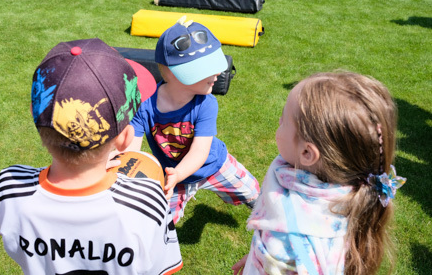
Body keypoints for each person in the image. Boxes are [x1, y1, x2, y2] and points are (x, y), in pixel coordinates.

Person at [0, 38, 183, 274]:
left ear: (34, 115)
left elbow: (3, 228)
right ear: (125, 138)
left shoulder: (9, 186)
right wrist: (153, 195)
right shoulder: (147, 201)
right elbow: (160, 267)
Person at [232, 72, 407, 275]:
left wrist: (272, 258)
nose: (278, 120)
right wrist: (259, 257)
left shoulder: (294, 242)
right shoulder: (351, 188)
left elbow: (284, 254)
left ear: (307, 153)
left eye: (284, 120)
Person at [124, 17, 260, 224]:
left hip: (214, 164)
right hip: (172, 175)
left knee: (252, 192)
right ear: (172, 72)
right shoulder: (145, 106)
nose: (217, 73)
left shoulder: (206, 103)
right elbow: (131, 151)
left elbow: (199, 151)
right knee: (162, 220)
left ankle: (258, 207)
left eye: (215, 63)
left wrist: (178, 173)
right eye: (205, 68)